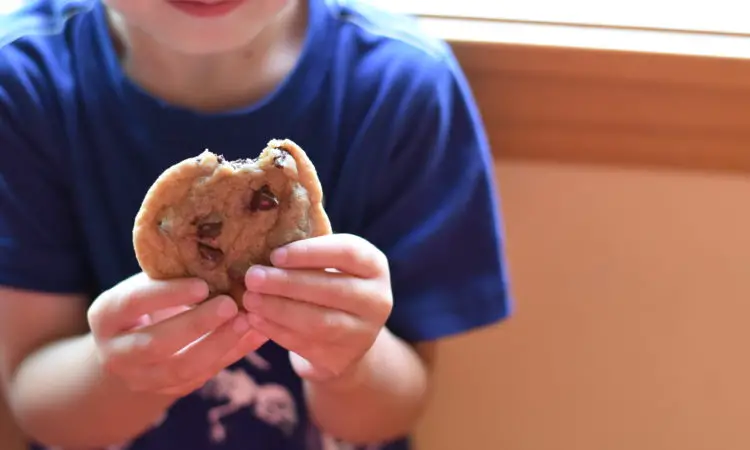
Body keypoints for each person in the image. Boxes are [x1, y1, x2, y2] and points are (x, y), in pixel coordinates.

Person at [0, 0, 511, 449]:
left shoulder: (402, 89)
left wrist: (349, 363)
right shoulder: (21, 85)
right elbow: (40, 407)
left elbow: (391, 411)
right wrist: (122, 376)